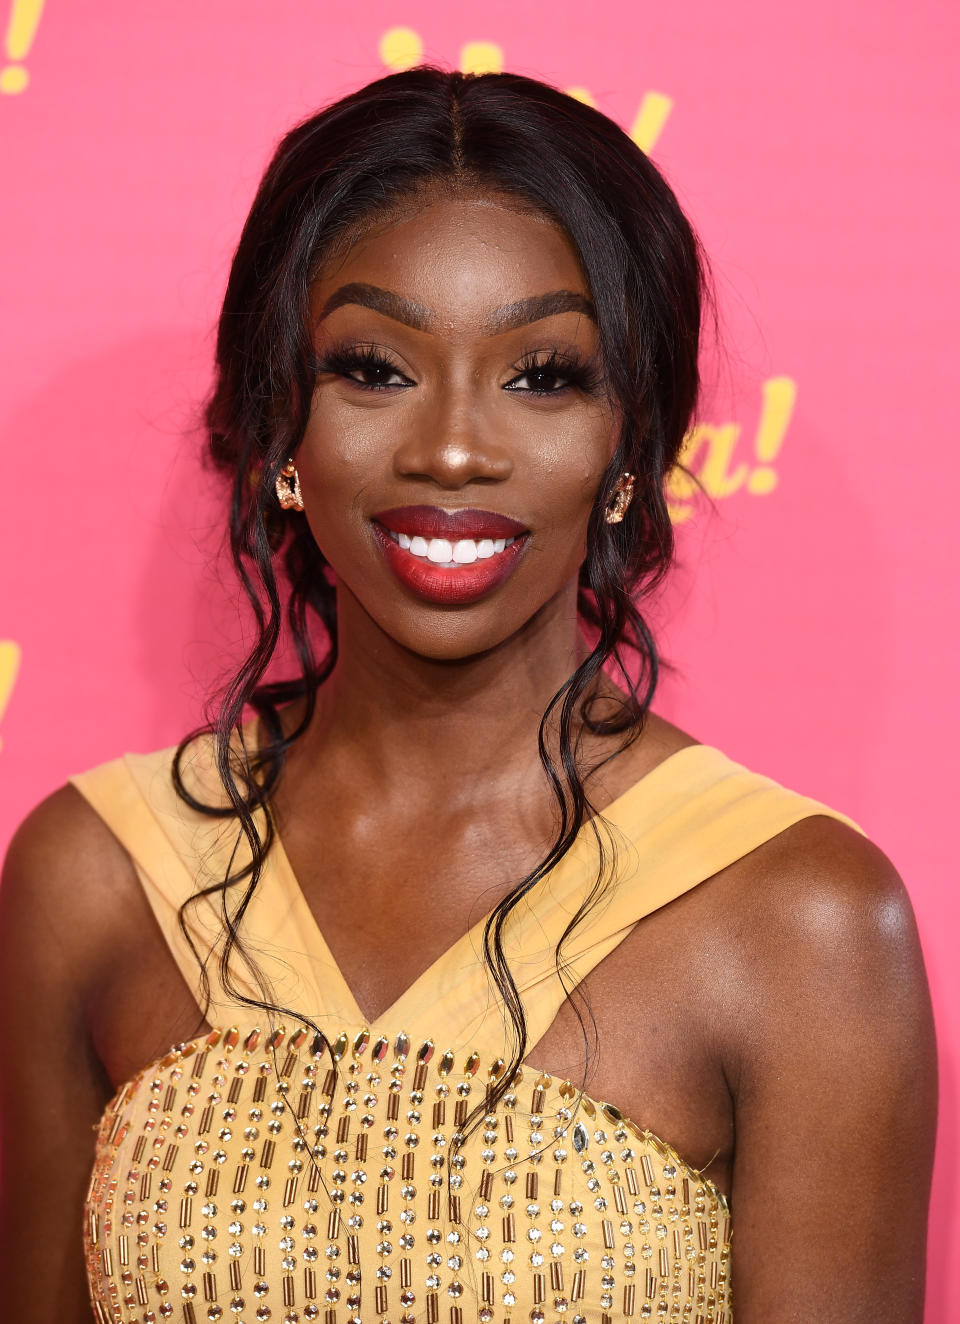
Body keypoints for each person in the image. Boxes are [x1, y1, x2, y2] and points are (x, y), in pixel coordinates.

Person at [0, 66, 937, 1324]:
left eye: (543, 373)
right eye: (375, 368)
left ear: (630, 443)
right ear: (282, 427)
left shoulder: (801, 919)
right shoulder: (98, 874)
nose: (453, 447)